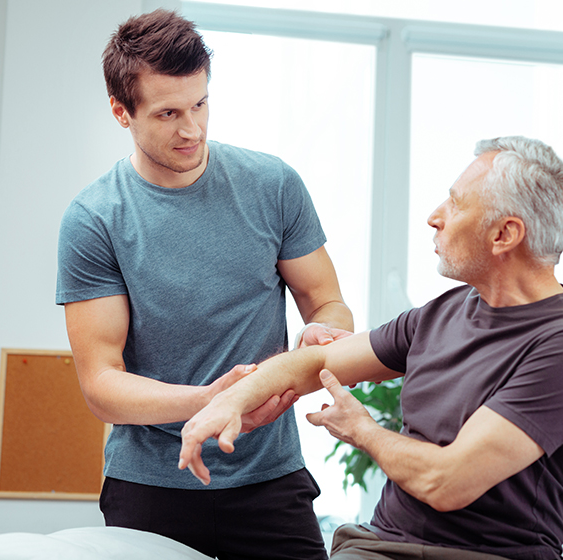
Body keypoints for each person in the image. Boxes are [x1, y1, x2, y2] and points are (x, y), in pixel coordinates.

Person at [178, 136, 563, 560]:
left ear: (504, 234)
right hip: (379, 545)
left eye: (456, 203)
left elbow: (447, 481)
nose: (435, 217)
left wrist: (362, 430)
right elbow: (318, 360)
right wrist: (228, 401)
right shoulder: (443, 312)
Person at [55, 9, 352, 560]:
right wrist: (213, 401)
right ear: (121, 112)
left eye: (200, 104)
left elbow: (326, 302)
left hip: (269, 478)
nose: (191, 129)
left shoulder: (273, 185)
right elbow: (101, 383)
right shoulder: (95, 219)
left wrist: (324, 332)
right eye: (168, 113)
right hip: (150, 485)